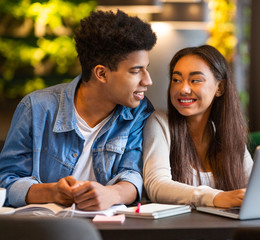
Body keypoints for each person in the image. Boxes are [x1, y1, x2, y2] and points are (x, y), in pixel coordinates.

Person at [0, 10, 157, 210]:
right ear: (101, 73)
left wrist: (111, 194)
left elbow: (133, 173)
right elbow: (6, 181)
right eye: (136, 71)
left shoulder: (138, 112)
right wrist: (52, 192)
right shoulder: (36, 108)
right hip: (45, 227)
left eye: (146, 68)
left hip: (110, 227)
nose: (148, 80)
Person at [143, 45, 253, 208]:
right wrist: (215, 197)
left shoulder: (228, 134)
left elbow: (254, 187)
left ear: (220, 87)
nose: (183, 89)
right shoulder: (160, 122)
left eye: (195, 80)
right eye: (176, 80)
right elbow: (157, 186)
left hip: (225, 231)